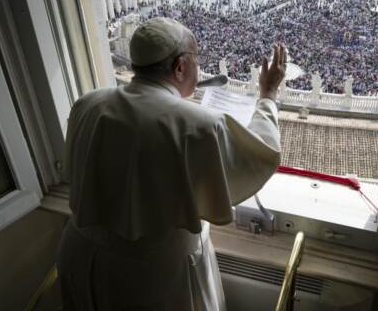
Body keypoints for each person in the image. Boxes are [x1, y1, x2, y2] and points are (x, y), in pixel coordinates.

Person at [57, 17, 287, 310]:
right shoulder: (200, 125)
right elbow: (261, 151)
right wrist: (267, 96)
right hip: (148, 278)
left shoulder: (88, 103)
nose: (199, 68)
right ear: (180, 67)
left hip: (79, 255)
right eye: (196, 60)